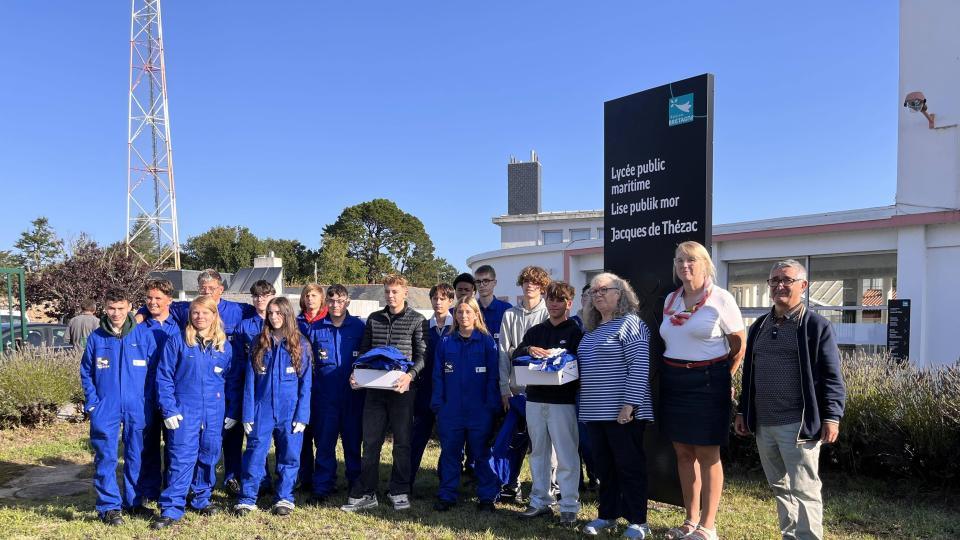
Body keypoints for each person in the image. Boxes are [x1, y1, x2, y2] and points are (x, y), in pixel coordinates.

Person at [735, 259, 846, 540]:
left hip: (798, 425)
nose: (779, 286)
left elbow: (832, 375)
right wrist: (743, 412)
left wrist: (832, 416)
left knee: (805, 488)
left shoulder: (816, 326)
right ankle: (790, 535)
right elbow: (750, 375)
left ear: (803, 286)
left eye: (787, 280)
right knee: (780, 488)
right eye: (774, 281)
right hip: (764, 424)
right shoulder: (758, 326)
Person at [659, 241, 745, 540]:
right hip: (674, 381)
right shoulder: (671, 299)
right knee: (683, 453)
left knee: (707, 453)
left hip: (708, 382)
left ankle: (708, 527)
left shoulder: (720, 299)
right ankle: (690, 519)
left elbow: (738, 343)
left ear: (705, 263)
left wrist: (725, 375)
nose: (686, 265)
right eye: (680, 259)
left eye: (692, 260)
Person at [152, 296, 241, 530]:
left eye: (205, 313)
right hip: (185, 409)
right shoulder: (178, 341)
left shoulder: (224, 346)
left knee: (209, 455)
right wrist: (169, 409)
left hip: (214, 410)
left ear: (214, 316)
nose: (200, 317)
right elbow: (164, 377)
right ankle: (172, 507)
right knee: (181, 457)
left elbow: (231, 381)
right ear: (190, 316)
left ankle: (201, 498)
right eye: (195, 313)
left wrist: (232, 410)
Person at [341, 274, 426, 512]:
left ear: (405, 293)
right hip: (374, 390)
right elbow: (364, 352)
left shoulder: (417, 320)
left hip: (402, 390)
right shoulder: (374, 319)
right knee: (370, 442)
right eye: (387, 291)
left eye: (395, 292)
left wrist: (410, 376)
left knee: (402, 443)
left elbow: (421, 356)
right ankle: (367, 491)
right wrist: (356, 373)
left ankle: (399, 490)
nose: (391, 296)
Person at [577, 273, 653, 539]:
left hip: (623, 413)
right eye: (593, 292)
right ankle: (607, 515)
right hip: (594, 413)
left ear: (619, 293)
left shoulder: (630, 324)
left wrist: (629, 405)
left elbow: (640, 366)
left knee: (629, 466)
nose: (597, 295)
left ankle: (638, 522)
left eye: (603, 290)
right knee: (604, 468)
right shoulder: (592, 330)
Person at [79, 288, 161, 525]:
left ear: (129, 307)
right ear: (105, 308)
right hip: (106, 407)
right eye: (112, 308)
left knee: (136, 456)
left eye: (121, 308)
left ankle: (134, 502)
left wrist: (149, 401)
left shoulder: (143, 336)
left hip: (138, 407)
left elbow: (155, 372)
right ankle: (109, 506)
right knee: (106, 457)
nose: (116, 313)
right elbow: (86, 372)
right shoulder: (96, 338)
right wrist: (93, 403)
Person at [511, 281, 583, 525]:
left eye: (559, 299)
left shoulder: (575, 331)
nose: (554, 303)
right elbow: (515, 353)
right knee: (538, 453)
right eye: (551, 298)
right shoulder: (536, 330)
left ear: (569, 303)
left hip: (563, 403)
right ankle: (540, 501)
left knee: (566, 456)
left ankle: (569, 505)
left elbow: (579, 366)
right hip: (534, 400)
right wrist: (529, 349)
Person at [234, 297, 312, 517]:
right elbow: (249, 381)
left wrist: (302, 415)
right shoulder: (259, 342)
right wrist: (248, 413)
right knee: (255, 453)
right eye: (271, 313)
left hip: (290, 410)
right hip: (262, 409)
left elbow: (305, 383)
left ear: (288, 315)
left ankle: (284, 498)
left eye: (279, 313)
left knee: (289, 454)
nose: (274, 317)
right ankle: (248, 498)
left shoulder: (301, 344)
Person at [431, 297, 501, 512]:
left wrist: (491, 406)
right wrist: (439, 404)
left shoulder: (487, 342)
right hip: (451, 410)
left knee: (481, 454)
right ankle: (447, 494)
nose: (463, 316)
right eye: (460, 312)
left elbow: (493, 377)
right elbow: (438, 376)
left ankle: (487, 496)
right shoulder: (446, 342)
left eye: (468, 312)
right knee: (451, 453)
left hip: (479, 410)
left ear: (476, 314)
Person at [304, 284, 366, 505]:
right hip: (325, 398)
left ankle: (355, 485)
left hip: (353, 397)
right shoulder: (316, 329)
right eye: (331, 301)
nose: (335, 305)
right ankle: (322, 486)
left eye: (340, 301)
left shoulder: (359, 327)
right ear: (325, 302)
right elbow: (306, 363)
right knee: (324, 444)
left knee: (352, 443)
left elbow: (369, 358)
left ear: (347, 301)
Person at [495, 265, 550, 502]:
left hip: (543, 391)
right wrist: (504, 388)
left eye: (535, 282)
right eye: (526, 281)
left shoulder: (548, 314)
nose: (530, 286)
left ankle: (545, 489)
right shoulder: (510, 315)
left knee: (543, 445)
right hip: (516, 390)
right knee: (514, 440)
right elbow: (502, 352)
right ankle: (511, 484)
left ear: (542, 287)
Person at [231, 279, 277, 496]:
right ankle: (260, 480)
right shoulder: (244, 326)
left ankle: (284, 479)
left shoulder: (282, 322)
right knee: (255, 438)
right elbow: (237, 359)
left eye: (265, 296)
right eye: (257, 296)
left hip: (273, 388)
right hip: (250, 386)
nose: (261, 300)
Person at [410, 282, 455, 494]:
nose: (438, 302)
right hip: (425, 391)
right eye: (435, 298)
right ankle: (404, 483)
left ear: (450, 301)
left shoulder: (457, 327)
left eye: (443, 299)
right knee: (417, 438)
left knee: (448, 441)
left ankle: (445, 486)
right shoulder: (423, 327)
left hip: (448, 394)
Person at [140, 279, 181, 489]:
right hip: (146, 395)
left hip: (173, 395)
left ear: (169, 300)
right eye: (149, 298)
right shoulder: (138, 327)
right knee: (148, 444)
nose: (152, 302)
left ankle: (173, 488)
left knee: (175, 445)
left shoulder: (181, 325)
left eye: (158, 298)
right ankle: (150, 489)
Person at [475, 264, 512, 341]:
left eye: (486, 281)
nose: (481, 285)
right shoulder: (471, 310)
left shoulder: (507, 309)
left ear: (494, 282)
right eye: (478, 281)